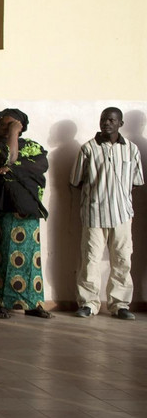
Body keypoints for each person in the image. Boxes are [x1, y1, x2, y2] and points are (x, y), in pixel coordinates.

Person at [71, 108, 144, 319]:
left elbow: (137, 182)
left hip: (122, 214)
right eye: (104, 119)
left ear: (121, 123)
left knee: (122, 259)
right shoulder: (88, 149)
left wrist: (118, 197)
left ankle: (120, 305)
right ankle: (88, 304)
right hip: (94, 213)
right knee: (90, 259)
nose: (107, 123)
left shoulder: (131, 149)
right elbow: (75, 181)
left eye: (112, 120)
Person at [0, 108, 53, 319]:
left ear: (22, 126)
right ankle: (1, 302)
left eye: (11, 124)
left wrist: (12, 167)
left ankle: (32, 303)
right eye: (2, 124)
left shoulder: (33, 146)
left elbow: (40, 166)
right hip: (2, 208)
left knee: (30, 258)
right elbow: (4, 159)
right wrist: (12, 138)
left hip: (27, 210)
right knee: (3, 256)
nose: (5, 127)